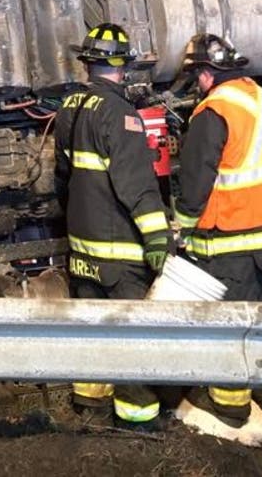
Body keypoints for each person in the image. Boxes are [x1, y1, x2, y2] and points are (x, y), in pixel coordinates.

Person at [171, 33, 262, 445]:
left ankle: (229, 413)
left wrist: (180, 227)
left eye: (196, 74)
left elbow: (195, 185)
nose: (197, 83)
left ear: (207, 73)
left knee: (231, 328)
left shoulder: (212, 110)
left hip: (235, 242)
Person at [55, 22, 173, 430]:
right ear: (123, 67)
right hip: (119, 252)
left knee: (91, 329)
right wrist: (158, 238)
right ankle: (137, 421)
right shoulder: (120, 114)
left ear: (88, 63)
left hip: (83, 246)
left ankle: (89, 407)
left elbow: (63, 177)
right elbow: (137, 186)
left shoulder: (69, 107)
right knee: (131, 336)